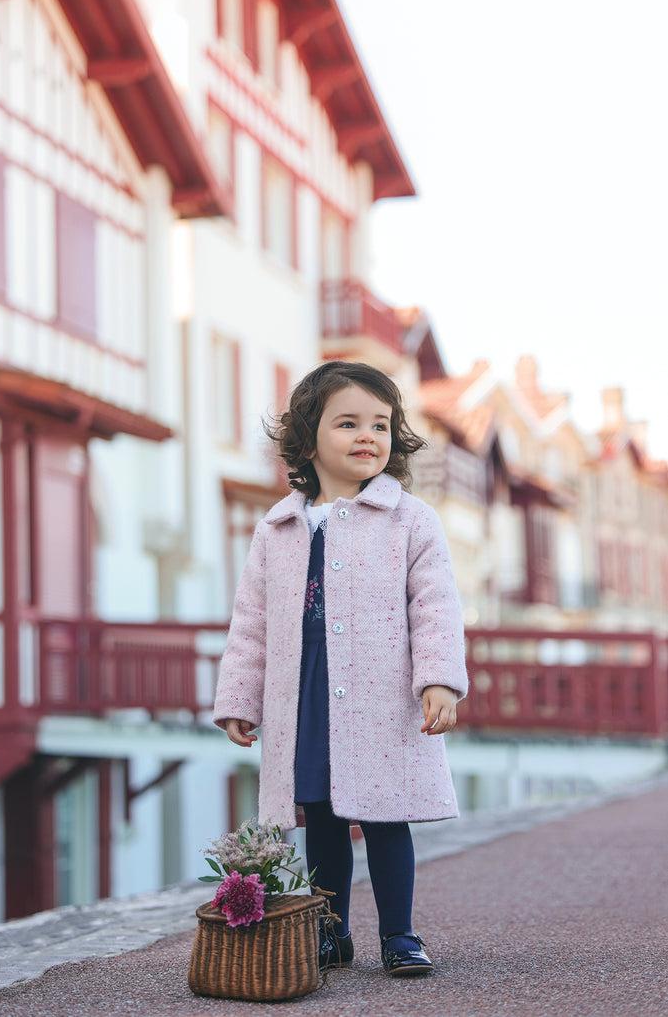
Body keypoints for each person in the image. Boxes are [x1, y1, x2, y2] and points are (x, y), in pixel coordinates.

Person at [212, 360, 469, 977]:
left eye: (380, 425)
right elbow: (251, 622)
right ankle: (331, 932)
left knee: (385, 815)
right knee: (322, 815)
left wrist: (438, 679)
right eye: (348, 423)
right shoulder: (278, 527)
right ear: (308, 440)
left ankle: (400, 935)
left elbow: (435, 606)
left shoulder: (411, 520)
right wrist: (239, 698)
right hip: (306, 690)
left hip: (383, 693)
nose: (367, 436)